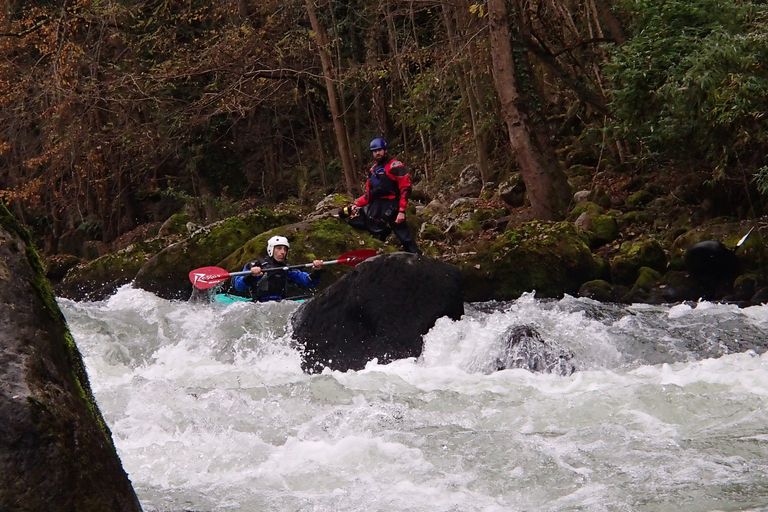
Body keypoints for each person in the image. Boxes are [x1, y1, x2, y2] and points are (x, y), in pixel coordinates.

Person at [345, 137, 420, 254]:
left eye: (379, 150)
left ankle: (416, 256)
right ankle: (382, 237)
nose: (377, 153)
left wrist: (401, 211)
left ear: (385, 150)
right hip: (377, 204)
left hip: (392, 204)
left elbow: (405, 188)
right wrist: (356, 204)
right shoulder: (373, 170)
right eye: (375, 151)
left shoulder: (395, 166)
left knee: (404, 236)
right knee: (358, 220)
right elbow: (369, 194)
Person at [232, 235, 324, 302]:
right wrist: (251, 276)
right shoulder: (255, 265)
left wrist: (317, 271)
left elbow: (309, 282)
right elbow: (238, 286)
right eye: (279, 248)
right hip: (258, 305)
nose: (283, 252)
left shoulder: (287, 269)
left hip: (280, 305)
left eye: (285, 249)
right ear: (271, 249)